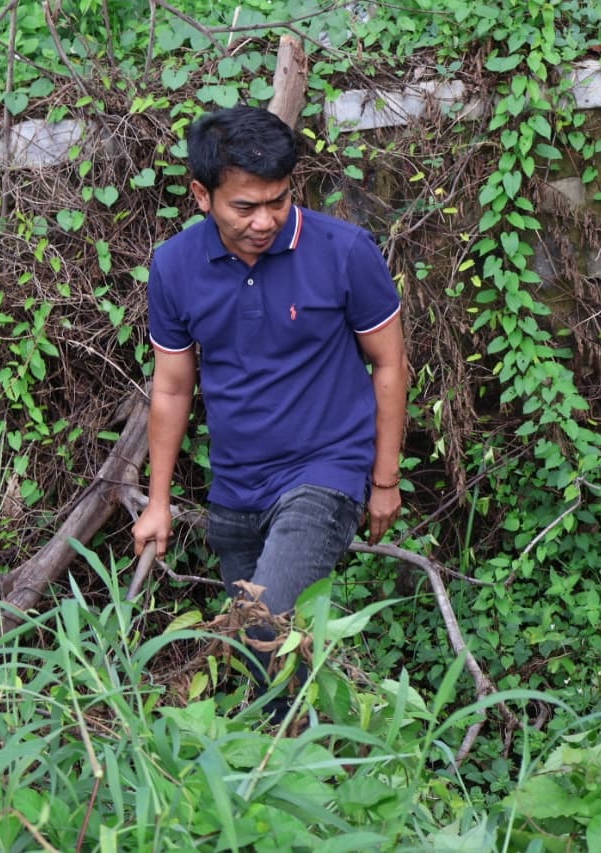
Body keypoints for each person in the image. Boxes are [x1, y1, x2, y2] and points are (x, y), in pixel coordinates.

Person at [132, 105, 408, 711]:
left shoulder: (343, 250)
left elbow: (390, 364)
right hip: (236, 489)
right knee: (265, 662)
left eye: (278, 201)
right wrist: (156, 501)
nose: (266, 221)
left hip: (324, 471)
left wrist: (383, 480)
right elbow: (173, 388)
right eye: (245, 207)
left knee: (262, 625)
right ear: (201, 194)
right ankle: (293, 780)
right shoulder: (175, 267)